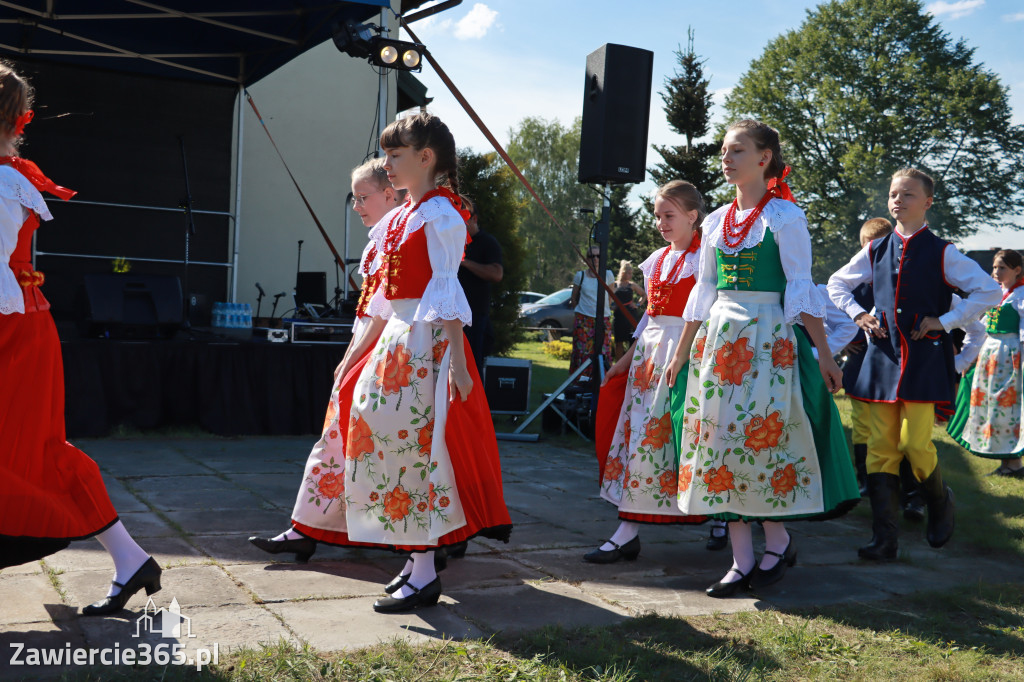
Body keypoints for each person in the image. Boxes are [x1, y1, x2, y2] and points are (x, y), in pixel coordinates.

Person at [282, 112, 511, 614]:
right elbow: (385, 297)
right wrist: (357, 356)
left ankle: (425, 568)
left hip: (426, 344)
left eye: (395, 155)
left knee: (416, 454)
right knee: (384, 448)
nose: (387, 164)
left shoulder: (442, 214)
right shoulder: (405, 215)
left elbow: (446, 289)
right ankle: (413, 560)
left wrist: (458, 364)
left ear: (425, 158)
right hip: (400, 342)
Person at [667, 119, 860, 598]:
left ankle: (777, 541)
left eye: (737, 150)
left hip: (768, 341)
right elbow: (705, 289)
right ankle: (740, 560)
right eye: (724, 151)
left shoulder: (785, 218)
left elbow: (799, 290)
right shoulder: (713, 221)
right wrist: (682, 351)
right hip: (720, 343)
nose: (726, 159)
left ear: (764, 158)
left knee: (763, 439)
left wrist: (824, 354)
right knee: (720, 442)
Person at [0, 60, 160, 616]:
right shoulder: (11, 176)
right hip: (18, 322)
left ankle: (129, 557)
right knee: (32, 449)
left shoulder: (3, 181)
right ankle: (130, 557)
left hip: (11, 329)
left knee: (31, 450)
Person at [828, 167, 1000, 561]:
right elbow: (837, 283)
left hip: (923, 362)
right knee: (880, 448)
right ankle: (884, 539)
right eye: (893, 193)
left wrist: (946, 320)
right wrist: (859, 314)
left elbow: (988, 290)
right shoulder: (875, 248)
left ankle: (940, 502)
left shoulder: (943, 251)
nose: (897, 200)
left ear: (928, 202)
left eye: (907, 194)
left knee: (914, 445)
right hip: (881, 359)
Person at [249, 158, 404, 561]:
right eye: (354, 199)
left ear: (389, 194)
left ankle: (418, 539)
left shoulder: (398, 237)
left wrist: (352, 357)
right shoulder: (383, 239)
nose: (356, 207)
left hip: (389, 351)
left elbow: (384, 311)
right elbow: (370, 310)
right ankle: (309, 526)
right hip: (373, 347)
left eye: (362, 197)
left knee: (371, 445)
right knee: (341, 441)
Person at [587, 181, 708, 563]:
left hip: (687, 353)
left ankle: (720, 515)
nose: (661, 223)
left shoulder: (706, 258)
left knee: (687, 436)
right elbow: (648, 321)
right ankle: (628, 529)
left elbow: (705, 312)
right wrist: (623, 362)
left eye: (668, 215)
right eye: (657, 215)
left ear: (692, 216)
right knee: (641, 437)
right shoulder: (656, 260)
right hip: (650, 358)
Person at [947, 249, 1024, 476]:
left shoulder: (1020, 296)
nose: (996, 272)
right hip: (990, 352)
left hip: (1009, 354)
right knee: (993, 406)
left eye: (1002, 268)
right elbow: (979, 326)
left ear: (1017, 270)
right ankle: (1006, 463)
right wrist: (970, 359)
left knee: (1008, 406)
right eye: (994, 267)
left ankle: (1014, 463)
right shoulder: (996, 293)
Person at [457, 195, 503, 374]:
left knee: (471, 367)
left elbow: (497, 274)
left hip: (474, 315)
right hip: (450, 312)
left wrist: (465, 262)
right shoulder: (451, 241)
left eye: (464, 219)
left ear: (474, 219)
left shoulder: (487, 242)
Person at [568, 246, 615, 380]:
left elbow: (610, 297)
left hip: (603, 318)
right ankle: (580, 382)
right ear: (586, 259)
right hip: (583, 320)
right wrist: (582, 312)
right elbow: (574, 297)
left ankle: (602, 382)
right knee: (582, 352)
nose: (595, 259)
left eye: (598, 256)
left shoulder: (608, 275)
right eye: (591, 256)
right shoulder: (580, 276)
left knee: (603, 352)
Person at [611, 260, 644, 361]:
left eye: (631, 273)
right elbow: (608, 299)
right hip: (619, 316)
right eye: (628, 273)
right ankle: (618, 365)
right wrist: (612, 306)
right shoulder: (615, 285)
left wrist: (637, 304)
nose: (630, 275)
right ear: (623, 272)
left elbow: (644, 295)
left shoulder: (632, 285)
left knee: (632, 341)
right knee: (619, 342)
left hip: (630, 316)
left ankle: (631, 365)